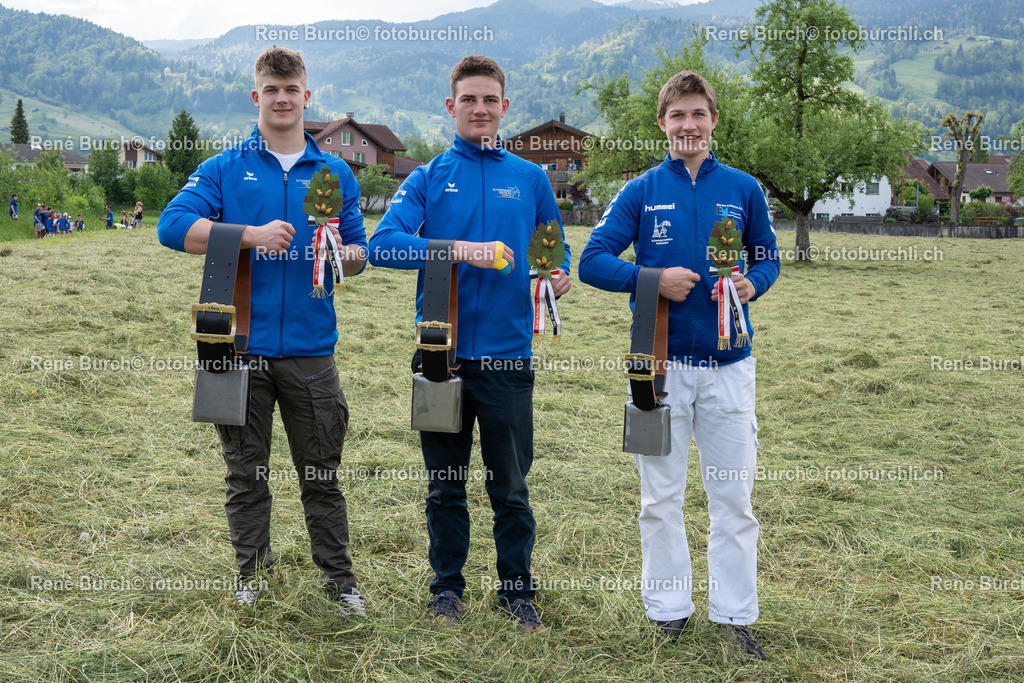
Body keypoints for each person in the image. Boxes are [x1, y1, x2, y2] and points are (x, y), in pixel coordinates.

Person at [158, 45, 369, 615]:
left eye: (291, 89)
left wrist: (343, 254)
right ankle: (253, 575)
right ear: (257, 97)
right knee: (245, 473)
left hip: (310, 350)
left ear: (307, 96)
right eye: (271, 90)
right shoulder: (226, 167)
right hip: (239, 345)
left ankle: (340, 582)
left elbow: (359, 248)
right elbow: (171, 226)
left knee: (322, 473)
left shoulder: (335, 171)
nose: (282, 98)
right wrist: (247, 235)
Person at [578, 70, 780, 659]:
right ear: (662, 124)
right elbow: (592, 259)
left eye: (698, 114)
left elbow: (768, 260)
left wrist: (751, 284)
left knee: (733, 499)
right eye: (677, 116)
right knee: (660, 499)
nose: (688, 126)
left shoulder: (744, 189)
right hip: (660, 369)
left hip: (729, 366)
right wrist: (650, 279)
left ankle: (736, 617)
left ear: (714, 120)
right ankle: (669, 613)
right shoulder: (640, 191)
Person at [369, 54, 571, 633]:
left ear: (504, 108)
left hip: (508, 359)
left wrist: (557, 279)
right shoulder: (429, 178)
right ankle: (447, 591)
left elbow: (553, 258)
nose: (479, 109)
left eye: (490, 100)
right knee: (444, 486)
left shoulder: (531, 179)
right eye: (468, 100)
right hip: (441, 355)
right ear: (450, 107)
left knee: (509, 486)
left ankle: (517, 594)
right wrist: (460, 249)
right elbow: (385, 245)